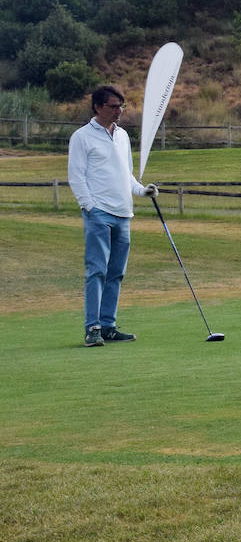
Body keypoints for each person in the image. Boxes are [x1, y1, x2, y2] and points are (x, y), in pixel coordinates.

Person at [68, 86, 158, 347]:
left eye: (121, 106)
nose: (119, 111)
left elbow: (126, 174)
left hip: (123, 213)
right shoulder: (82, 137)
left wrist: (142, 191)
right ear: (98, 107)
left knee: (116, 273)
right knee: (96, 270)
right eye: (113, 106)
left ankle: (108, 325)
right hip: (99, 214)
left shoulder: (122, 136)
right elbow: (76, 176)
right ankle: (92, 328)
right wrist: (89, 207)